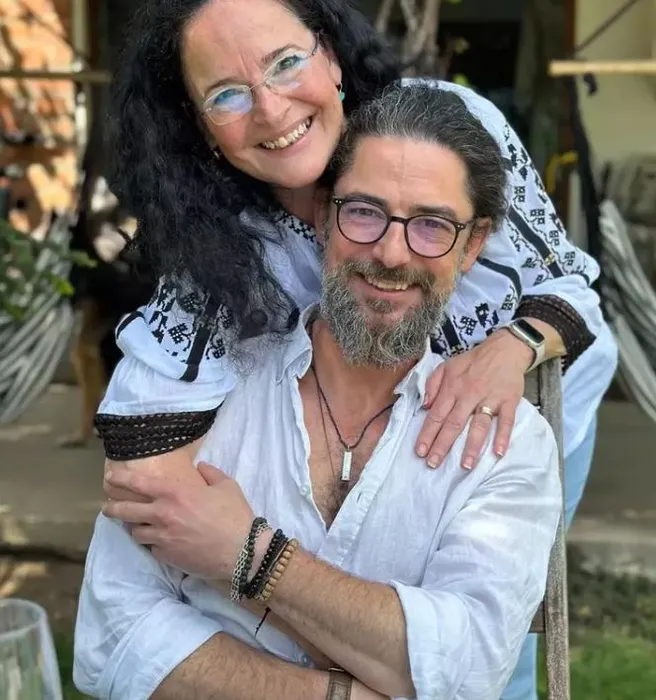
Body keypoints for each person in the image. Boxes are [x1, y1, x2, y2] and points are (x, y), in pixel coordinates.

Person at [95, 1, 617, 698]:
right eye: (227, 94)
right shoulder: (222, 241)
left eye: (286, 63)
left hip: (531, 414)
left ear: (332, 55)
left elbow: (572, 283)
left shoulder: (445, 128)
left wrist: (512, 348)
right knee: (362, 613)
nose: (272, 110)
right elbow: (142, 457)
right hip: (366, 438)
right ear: (200, 125)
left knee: (497, 648)